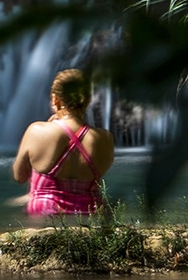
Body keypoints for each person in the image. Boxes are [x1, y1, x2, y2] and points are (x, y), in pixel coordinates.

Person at [12, 68, 115, 216]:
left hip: (45, 216)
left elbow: (19, 176)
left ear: (56, 100)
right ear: (88, 100)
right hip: (90, 215)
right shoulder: (105, 138)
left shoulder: (36, 131)